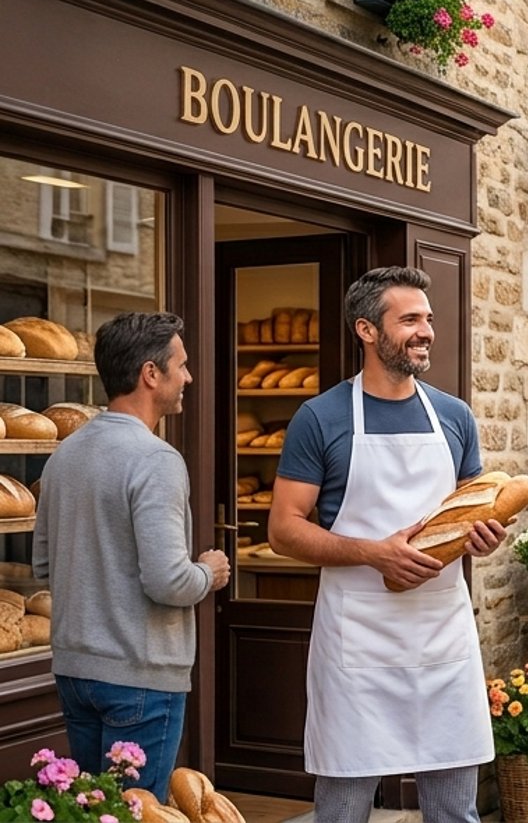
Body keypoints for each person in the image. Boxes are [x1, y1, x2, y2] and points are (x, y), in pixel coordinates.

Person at [269, 267, 504, 823]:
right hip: (359, 640)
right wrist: (376, 553)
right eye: (410, 320)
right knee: (345, 809)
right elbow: (283, 528)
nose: (425, 331)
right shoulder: (320, 418)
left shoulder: (453, 417)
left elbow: (470, 513)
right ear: (367, 331)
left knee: (454, 810)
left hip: (442, 634)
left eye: (428, 319)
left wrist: (484, 538)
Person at [33, 312, 229, 800]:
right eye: (180, 366)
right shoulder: (155, 459)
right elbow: (168, 582)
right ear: (150, 373)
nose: (188, 377)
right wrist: (210, 572)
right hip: (139, 677)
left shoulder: (64, 454)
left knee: (94, 810)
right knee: (139, 811)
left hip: (76, 670)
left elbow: (43, 566)